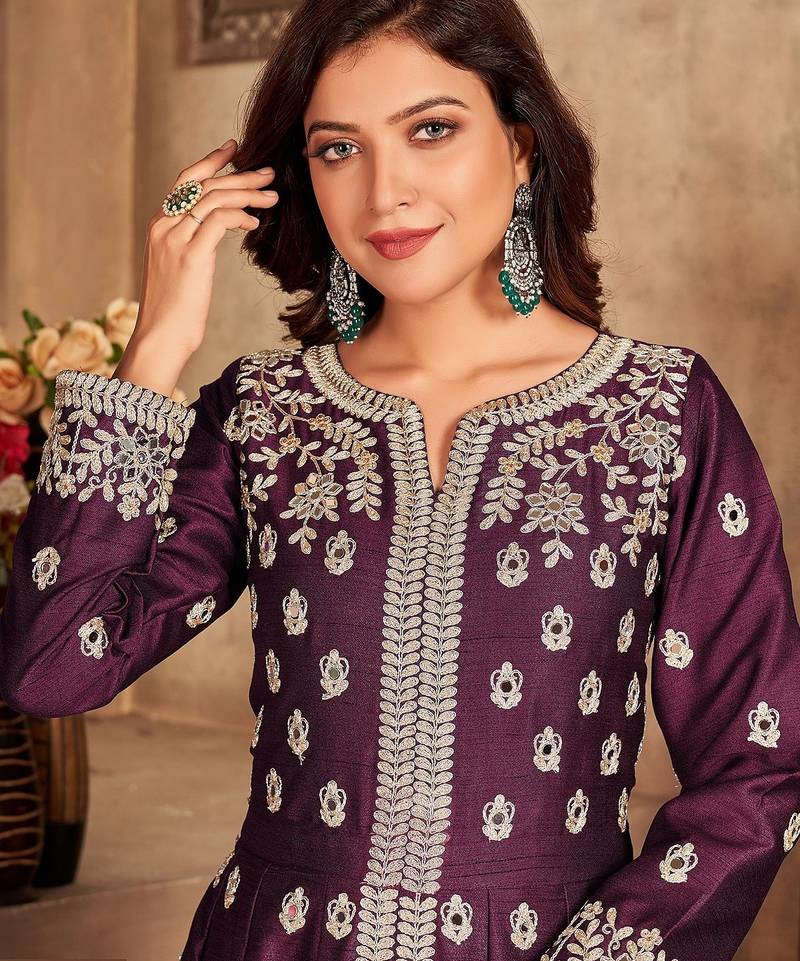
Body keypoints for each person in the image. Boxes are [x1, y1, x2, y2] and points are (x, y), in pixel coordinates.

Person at [1, 1, 798, 959]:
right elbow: (55, 666)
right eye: (339, 149)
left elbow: (760, 767)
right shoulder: (264, 415)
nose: (385, 192)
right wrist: (158, 346)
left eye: (431, 130)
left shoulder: (660, 412)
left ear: (521, 146)